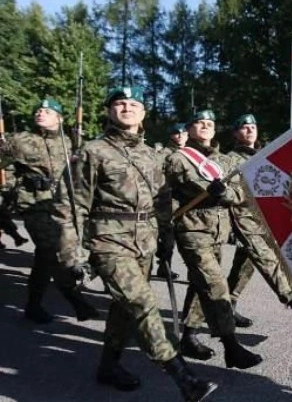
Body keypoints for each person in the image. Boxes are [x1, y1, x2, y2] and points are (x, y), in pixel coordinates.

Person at [54, 87, 217, 400]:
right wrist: (70, 254)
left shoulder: (151, 154)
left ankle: (108, 366)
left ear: (143, 114)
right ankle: (183, 377)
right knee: (142, 303)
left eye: (133, 103)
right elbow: (70, 206)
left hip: (145, 242)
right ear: (108, 111)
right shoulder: (92, 151)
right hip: (109, 242)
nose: (126, 107)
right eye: (119, 103)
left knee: (124, 309)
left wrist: (166, 243)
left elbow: (163, 201)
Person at [166, 109, 263, 369]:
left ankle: (188, 335)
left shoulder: (221, 160)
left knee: (200, 285)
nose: (206, 126)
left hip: (217, 229)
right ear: (189, 129)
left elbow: (239, 192)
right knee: (214, 283)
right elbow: (167, 195)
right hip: (191, 228)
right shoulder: (178, 158)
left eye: (210, 123)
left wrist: (227, 194)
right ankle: (232, 347)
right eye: (200, 123)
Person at [220, 113, 292, 327]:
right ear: (235, 133)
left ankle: (228, 306)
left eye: (253, 126)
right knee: (267, 261)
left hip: (264, 220)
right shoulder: (228, 160)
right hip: (244, 219)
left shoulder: (264, 155)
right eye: (244, 127)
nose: (250, 130)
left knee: (245, 265)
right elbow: (228, 192)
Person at [1, 98, 97, 323]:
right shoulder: (21, 140)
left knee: (52, 254)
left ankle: (37, 304)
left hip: (65, 204)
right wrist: (11, 184)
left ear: (59, 118)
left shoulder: (71, 141)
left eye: (47, 111)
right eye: (38, 110)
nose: (40, 113)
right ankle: (73, 301)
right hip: (35, 204)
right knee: (50, 250)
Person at [154, 123, 188, 281]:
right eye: (176, 133)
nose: (180, 135)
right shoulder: (164, 154)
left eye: (183, 133)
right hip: (167, 202)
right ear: (171, 136)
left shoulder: (191, 153)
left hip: (186, 202)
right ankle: (164, 266)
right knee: (167, 238)